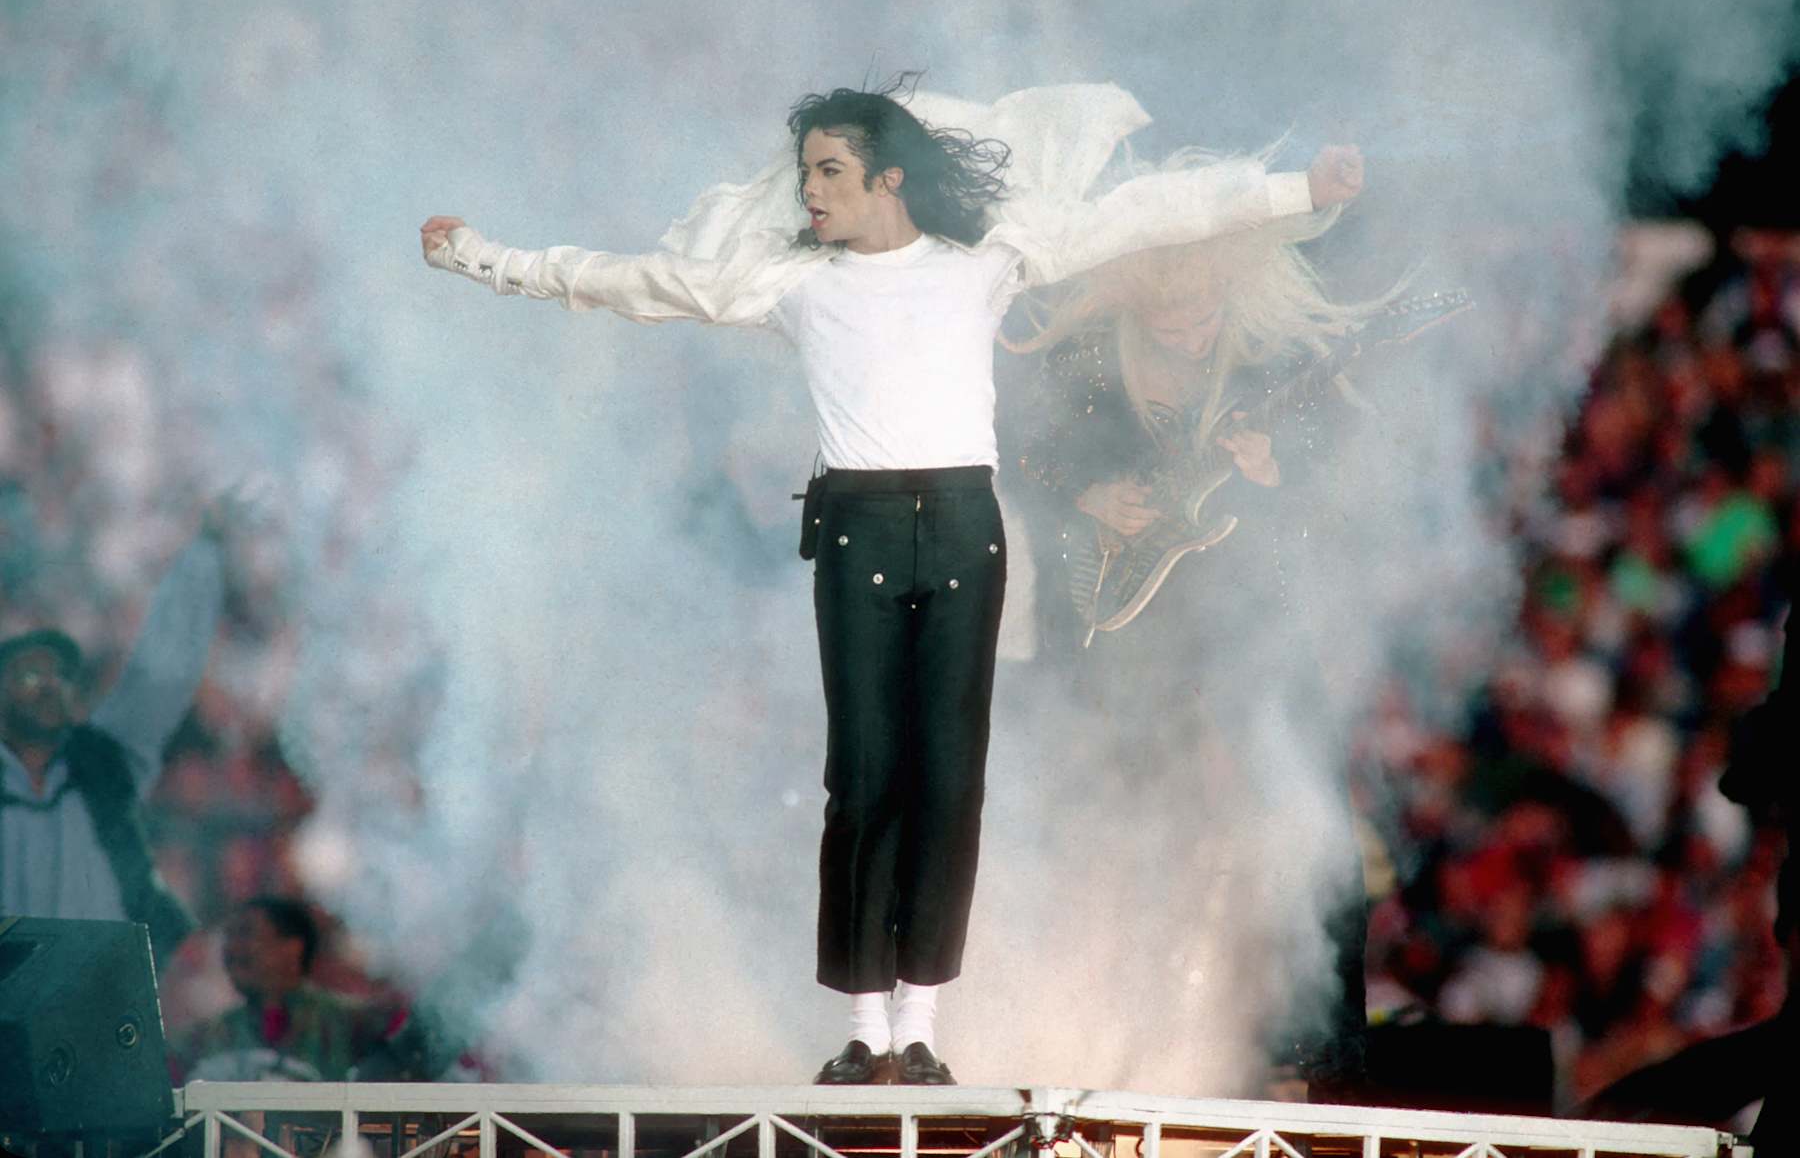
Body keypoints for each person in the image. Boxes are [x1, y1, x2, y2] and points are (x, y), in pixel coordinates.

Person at [420, 77, 1362, 1084]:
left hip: (964, 531)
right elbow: (627, 282)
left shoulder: (985, 263)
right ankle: (864, 1033)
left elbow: (1141, 214)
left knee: (948, 779)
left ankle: (922, 1033)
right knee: (864, 775)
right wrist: (482, 255)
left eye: (829, 172)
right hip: (858, 531)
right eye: (805, 175)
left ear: (889, 179)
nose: (811, 194)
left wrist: (1298, 192)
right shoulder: (792, 283)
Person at [1012, 199, 1387, 1098]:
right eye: (1168, 315)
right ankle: (1106, 1031)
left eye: (1203, 310)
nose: (1188, 329)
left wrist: (1272, 469)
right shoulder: (1090, 365)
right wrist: (1091, 498)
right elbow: (1026, 456)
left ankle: (1322, 1045)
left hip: (1257, 616)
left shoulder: (1274, 361)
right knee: (1126, 824)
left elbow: (1336, 481)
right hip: (1134, 635)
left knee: (1311, 823)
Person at [0, 495, 236, 966]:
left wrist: (205, 554)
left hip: (109, 993)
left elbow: (163, 672)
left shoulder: (107, 759)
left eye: (60, 677)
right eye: (29, 676)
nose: (49, 688)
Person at [175, 895, 398, 1083]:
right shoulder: (206, 1036)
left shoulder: (355, 1023)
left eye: (245, 933)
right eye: (229, 936)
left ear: (293, 948)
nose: (231, 949)